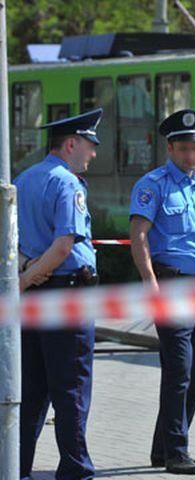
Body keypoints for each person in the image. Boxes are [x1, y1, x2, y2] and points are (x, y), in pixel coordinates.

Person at [16, 109, 103, 480]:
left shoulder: (22, 180)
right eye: (89, 145)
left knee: (33, 388)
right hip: (66, 297)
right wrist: (30, 277)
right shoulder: (67, 184)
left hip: (33, 299)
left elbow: (12, 240)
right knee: (72, 388)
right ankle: (75, 468)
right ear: (71, 144)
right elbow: (64, 245)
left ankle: (15, 465)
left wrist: (24, 276)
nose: (93, 154)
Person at [129, 109, 195, 475]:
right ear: (169, 147)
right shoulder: (153, 184)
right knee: (178, 370)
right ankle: (176, 451)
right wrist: (150, 284)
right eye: (182, 148)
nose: (189, 155)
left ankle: (165, 449)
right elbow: (139, 236)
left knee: (193, 373)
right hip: (172, 285)